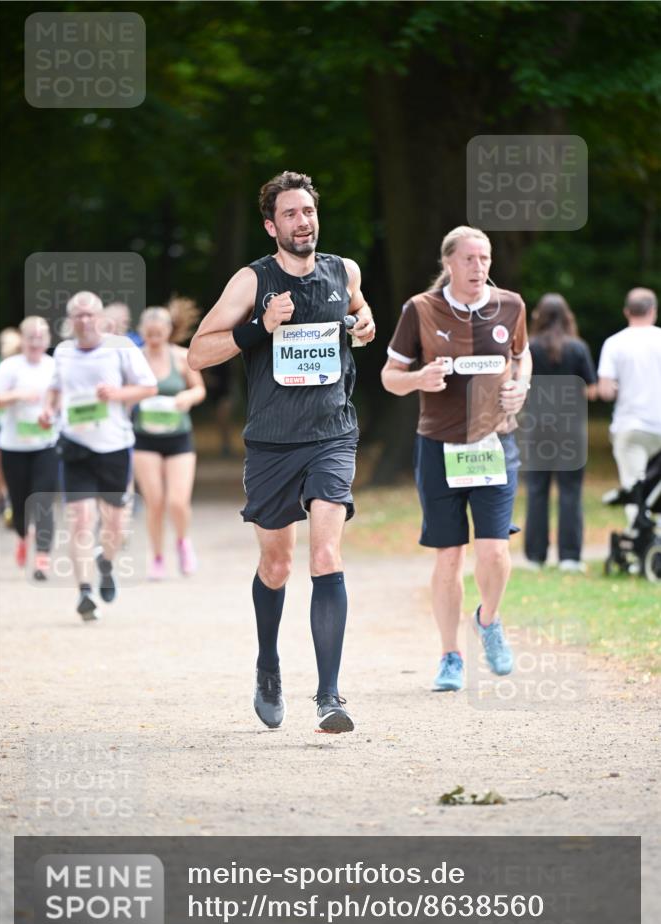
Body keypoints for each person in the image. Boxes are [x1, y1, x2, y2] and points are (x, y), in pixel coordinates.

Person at [188, 170, 375, 733]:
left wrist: (363, 326)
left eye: (309, 212)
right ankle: (268, 666)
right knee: (277, 564)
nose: (303, 222)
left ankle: (329, 696)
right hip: (271, 442)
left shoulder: (344, 271)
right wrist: (258, 327)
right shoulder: (253, 281)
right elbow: (198, 352)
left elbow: (361, 317)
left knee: (324, 557)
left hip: (331, 434)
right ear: (272, 225)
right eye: (291, 214)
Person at [381, 225, 531, 692]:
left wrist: (521, 387)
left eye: (484, 259)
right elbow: (390, 376)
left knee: (495, 550)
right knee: (449, 556)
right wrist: (418, 379)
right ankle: (450, 655)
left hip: (494, 443)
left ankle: (488, 620)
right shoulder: (421, 310)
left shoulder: (511, 305)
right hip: (439, 446)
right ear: (448, 263)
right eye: (469, 259)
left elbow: (523, 357)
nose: (479, 267)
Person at [38, 291, 157, 621]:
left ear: (100, 318)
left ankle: (106, 562)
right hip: (75, 445)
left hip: (114, 446)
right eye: (78, 314)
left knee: (115, 522)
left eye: (90, 314)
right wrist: (49, 411)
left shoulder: (121, 348)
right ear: (70, 320)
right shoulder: (62, 352)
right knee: (80, 519)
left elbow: (148, 387)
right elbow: (56, 389)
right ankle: (84, 593)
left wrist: (117, 394)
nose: (84, 320)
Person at [523, 293, 598, 572]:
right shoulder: (578, 348)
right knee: (570, 491)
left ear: (538, 317)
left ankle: (535, 556)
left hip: (537, 427)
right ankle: (569, 557)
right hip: (570, 429)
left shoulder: (528, 348)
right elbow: (591, 390)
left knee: (537, 490)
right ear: (568, 317)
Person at [133, 306, 206, 579]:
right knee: (155, 502)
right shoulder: (135, 359)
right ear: (142, 332)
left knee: (177, 501)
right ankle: (157, 557)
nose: (154, 338)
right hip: (145, 438)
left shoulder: (181, 357)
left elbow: (199, 389)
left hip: (179, 438)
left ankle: (183, 543)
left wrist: (188, 397)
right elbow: (123, 389)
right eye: (149, 334)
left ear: (168, 332)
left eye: (159, 333)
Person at [0, 317, 58, 578]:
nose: (35, 342)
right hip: (14, 446)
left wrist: (51, 413)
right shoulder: (10, 367)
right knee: (20, 505)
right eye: (30, 337)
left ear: (48, 340)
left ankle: (42, 557)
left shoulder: (54, 366)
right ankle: (23, 536)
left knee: (42, 500)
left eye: (40, 337)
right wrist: (18, 395)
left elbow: (63, 399)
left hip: (46, 444)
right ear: (22, 339)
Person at [598, 287, 661, 523]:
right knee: (657, 493)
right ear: (653, 311)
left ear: (627, 312)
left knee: (635, 489)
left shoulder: (614, 343)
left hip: (631, 427)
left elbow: (605, 390)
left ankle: (640, 545)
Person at [0, 327, 22, 525]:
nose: (8, 347)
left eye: (11, 342)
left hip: (18, 425)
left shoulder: (25, 366)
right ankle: (4, 499)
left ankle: (14, 501)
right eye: (4, 343)